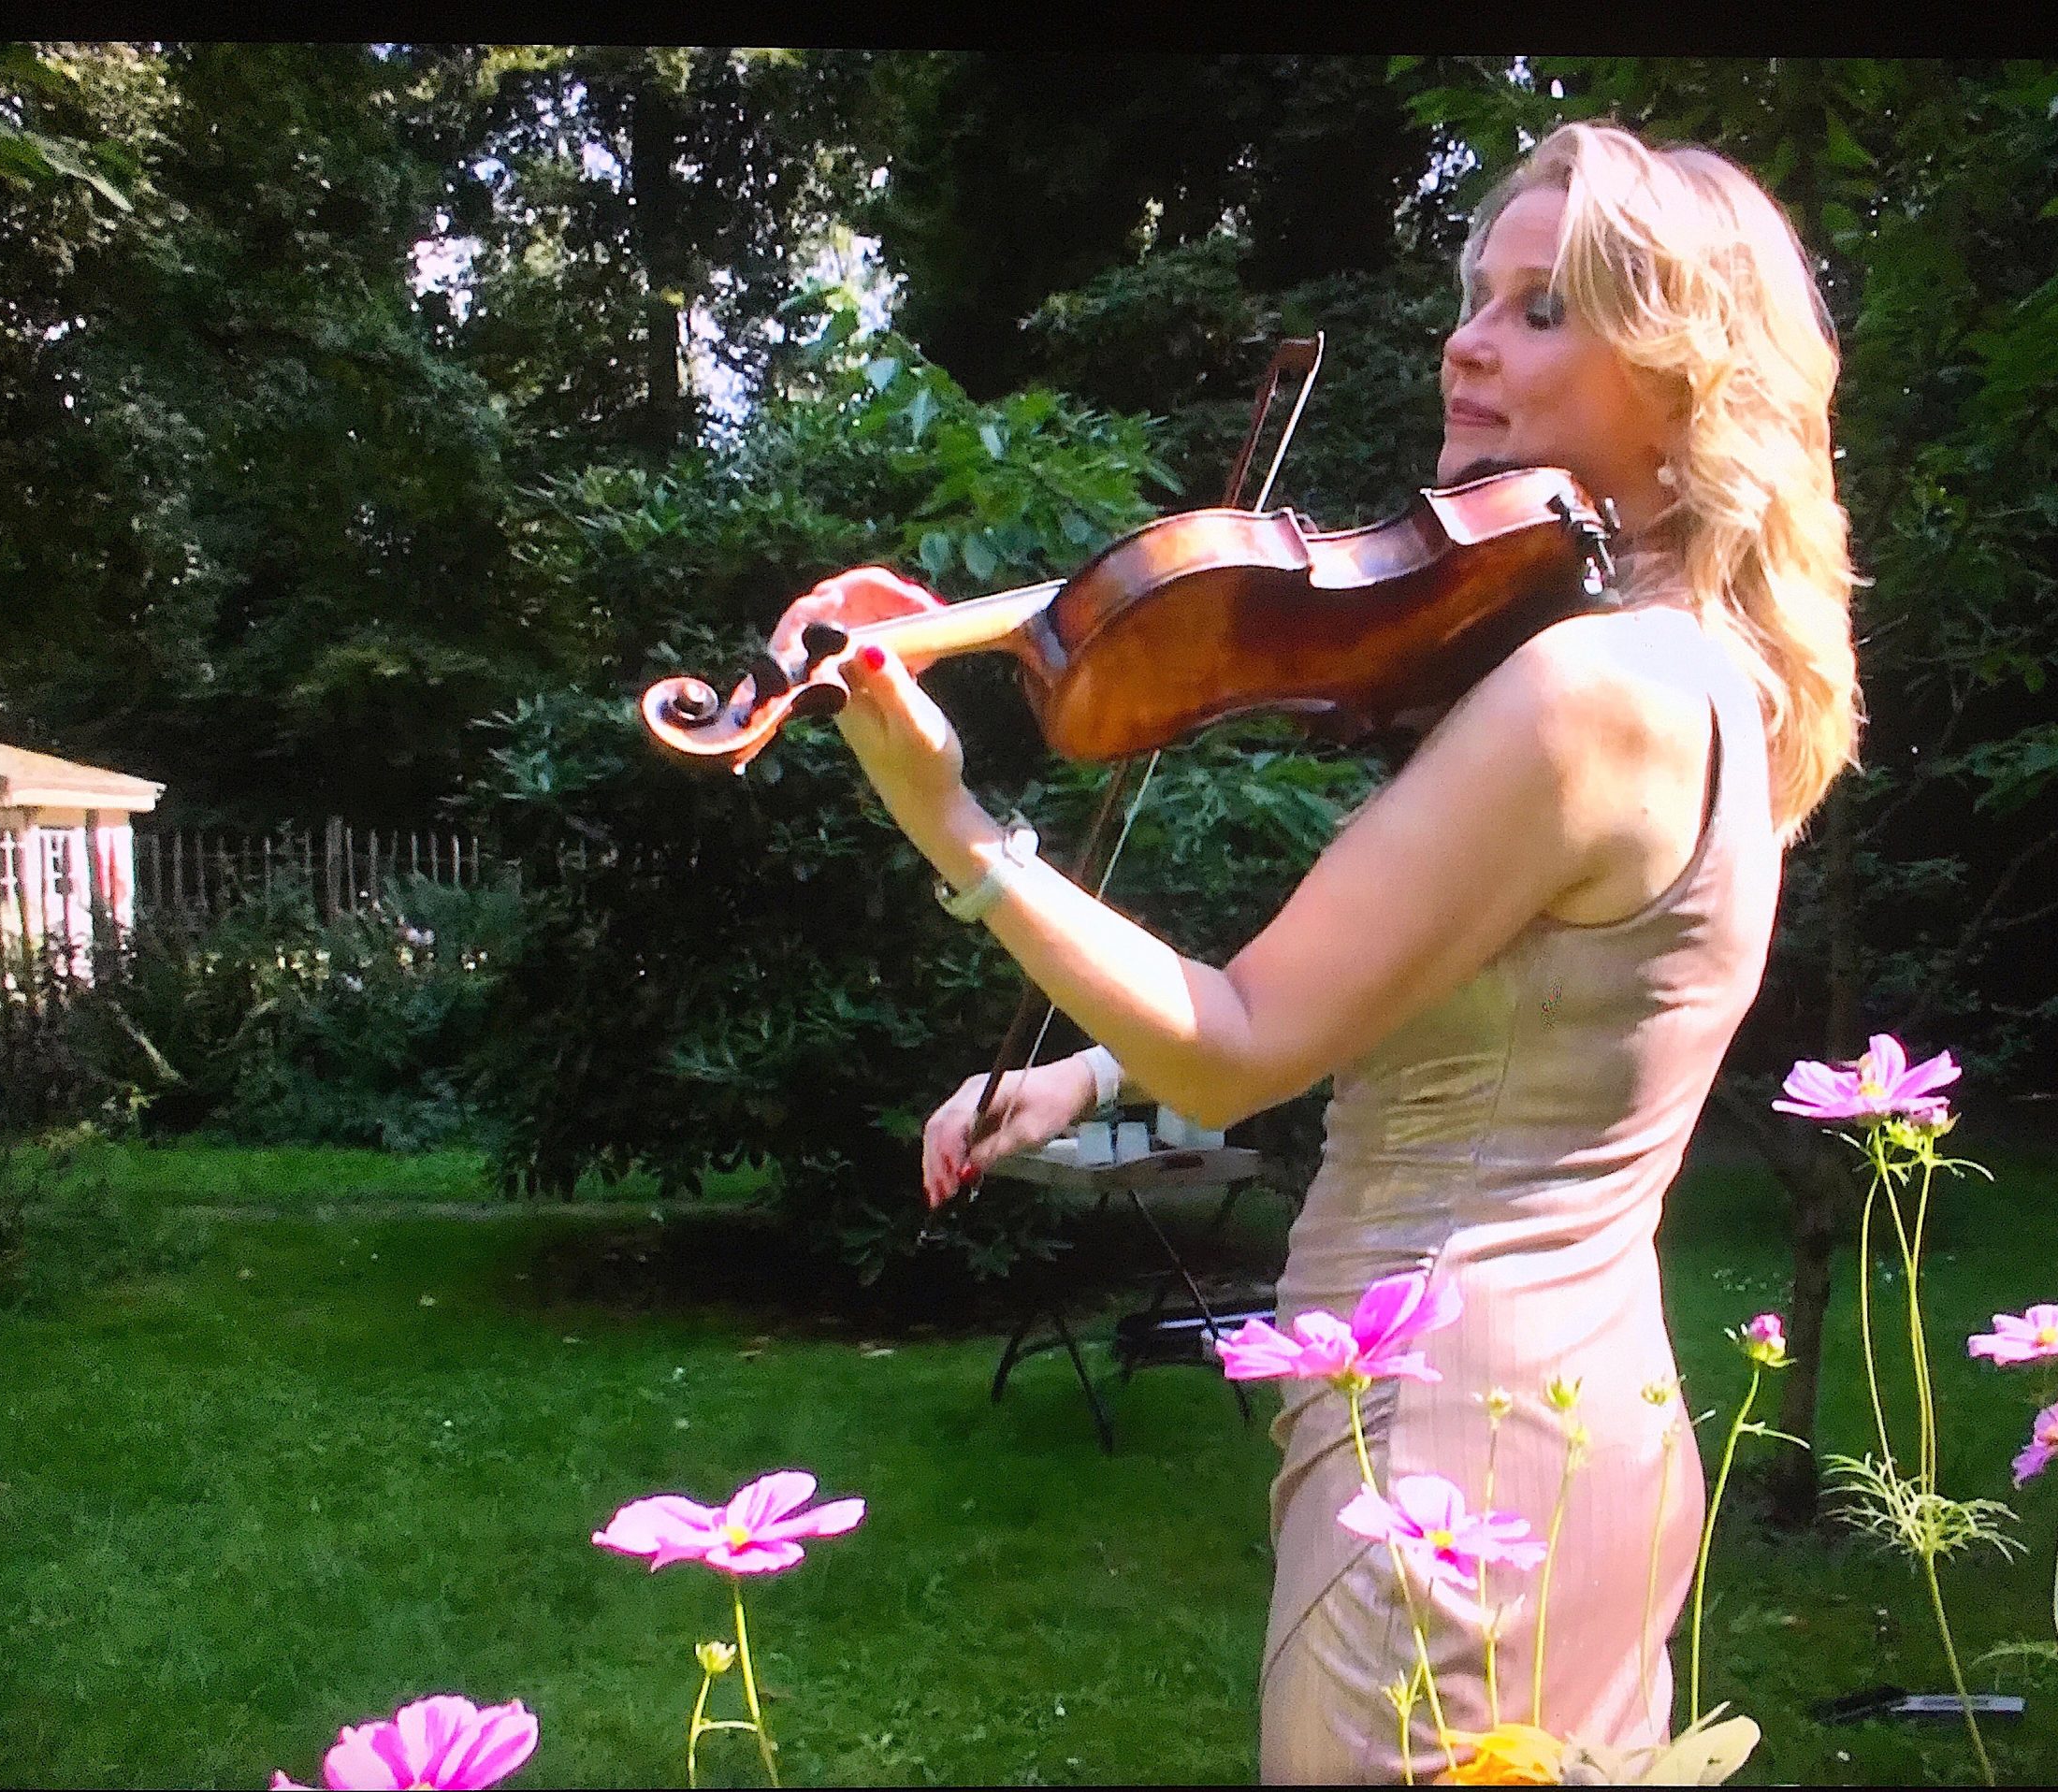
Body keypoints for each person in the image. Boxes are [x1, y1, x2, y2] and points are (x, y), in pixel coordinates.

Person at [770, 120, 1858, 1784]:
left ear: (1688, 377)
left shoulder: (1587, 695)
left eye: (1544, 309)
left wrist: (953, 820)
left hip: (1443, 1450)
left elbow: (1239, 1042)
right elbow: (1498, 1023)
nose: (1467, 342)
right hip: (1581, 1415)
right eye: (1477, 295)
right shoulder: (1706, 677)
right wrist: (1088, 1072)